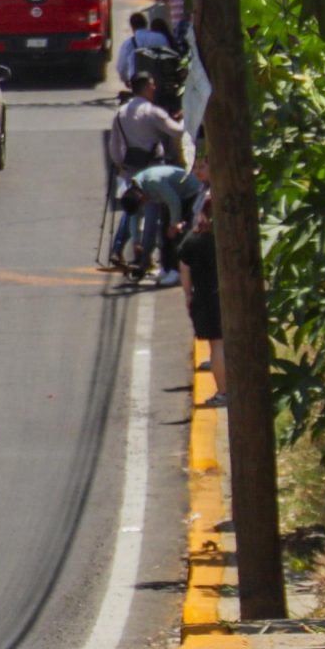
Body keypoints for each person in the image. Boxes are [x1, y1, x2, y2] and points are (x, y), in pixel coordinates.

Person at [104, 74, 187, 267]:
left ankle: (126, 246)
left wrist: (118, 162)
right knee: (151, 210)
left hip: (130, 167)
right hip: (151, 166)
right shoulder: (152, 112)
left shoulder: (121, 112)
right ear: (145, 87)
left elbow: (114, 143)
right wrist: (184, 118)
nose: (155, 88)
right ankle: (144, 255)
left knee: (132, 208)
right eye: (152, 85)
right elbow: (176, 131)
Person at [128, 155, 205, 284]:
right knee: (163, 233)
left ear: (141, 197)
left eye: (143, 202)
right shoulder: (133, 191)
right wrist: (136, 240)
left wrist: (174, 225)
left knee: (177, 235)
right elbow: (134, 216)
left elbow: (174, 202)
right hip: (168, 198)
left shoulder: (153, 182)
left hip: (187, 193)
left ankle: (176, 270)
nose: (145, 203)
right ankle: (166, 267)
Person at [179, 198, 223, 406]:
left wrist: (188, 295)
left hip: (205, 299)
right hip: (230, 296)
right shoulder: (229, 237)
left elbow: (184, 268)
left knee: (217, 346)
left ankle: (224, 391)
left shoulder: (194, 240)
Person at [115, 9, 155, 84]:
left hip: (138, 84)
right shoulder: (160, 38)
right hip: (159, 82)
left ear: (132, 26)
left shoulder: (128, 44)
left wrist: (126, 80)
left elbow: (121, 67)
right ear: (146, 24)